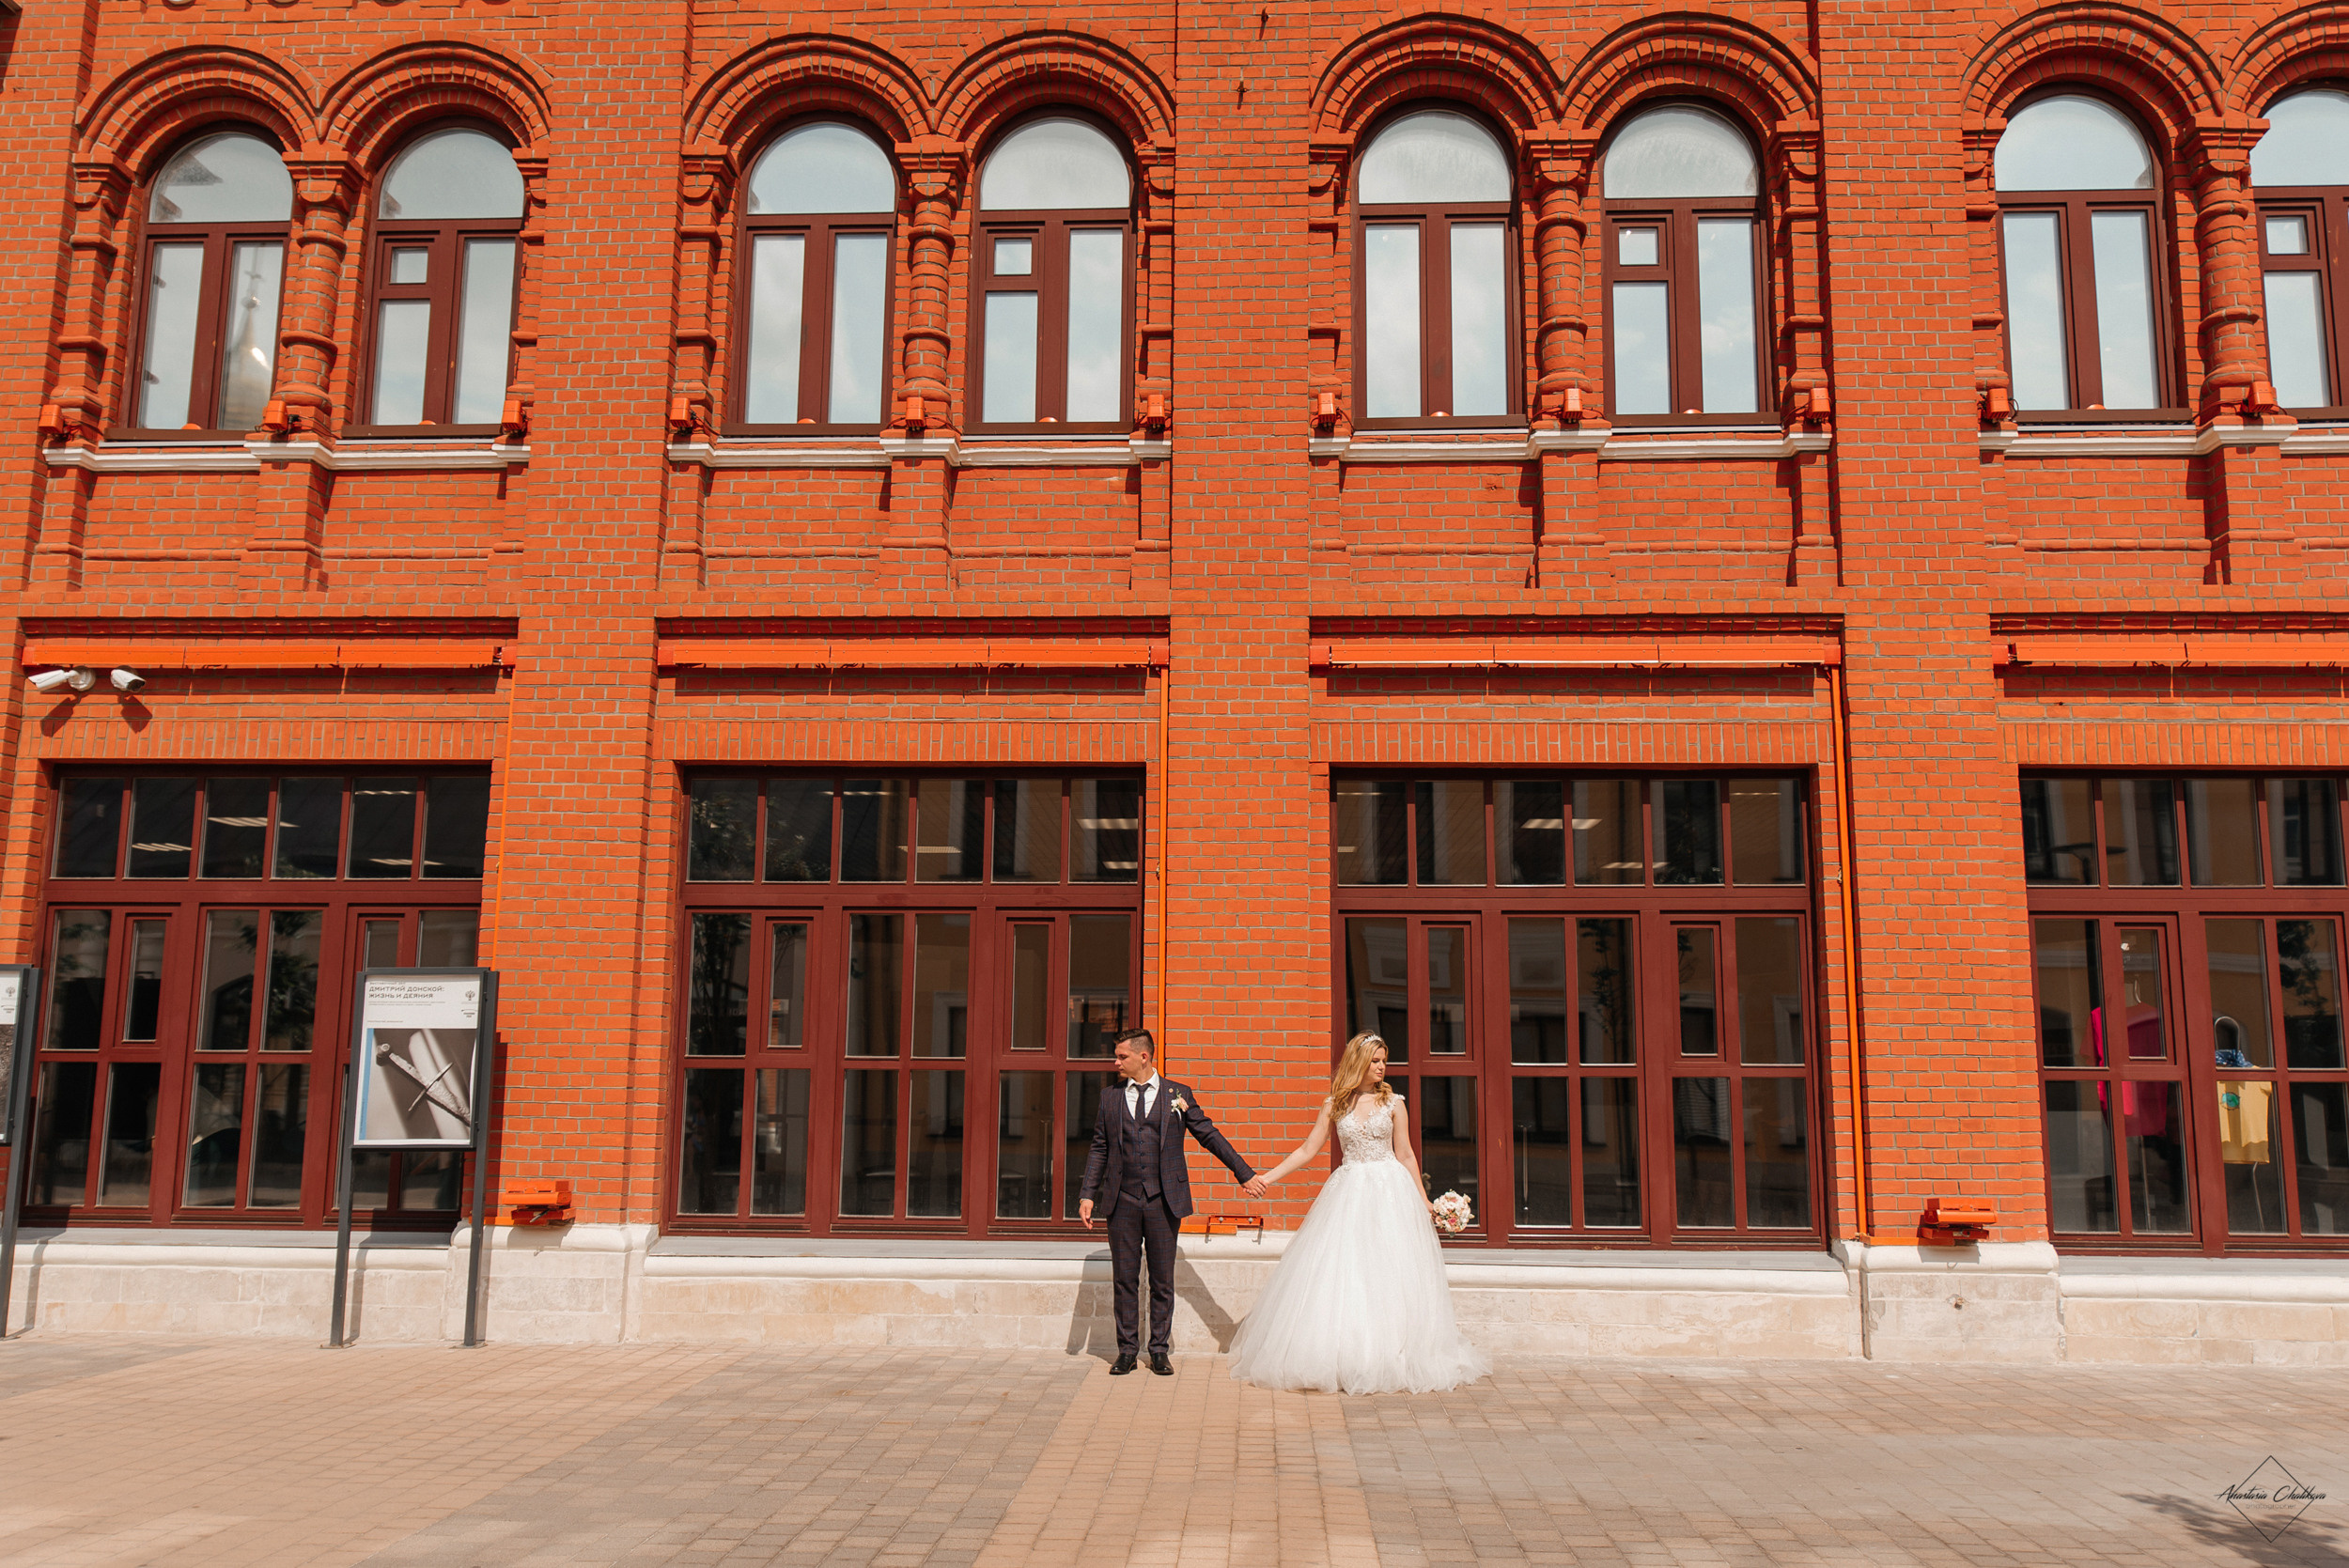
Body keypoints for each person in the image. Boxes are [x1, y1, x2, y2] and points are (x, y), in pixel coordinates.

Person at [1226, 1032, 1490, 1394]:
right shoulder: (1334, 1103)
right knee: (1347, 1271)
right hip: (1349, 1192)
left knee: (1391, 1271)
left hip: (1390, 1192)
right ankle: (1349, 1354)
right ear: (1358, 1062)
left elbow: (1407, 1154)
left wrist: (1424, 1200)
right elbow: (1307, 1150)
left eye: (1384, 1060)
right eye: (1375, 1061)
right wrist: (1265, 1179)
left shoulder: (1394, 1103)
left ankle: (1395, 1355)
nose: (1382, 1067)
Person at [1079, 1028, 1263, 1376]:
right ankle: (1127, 1351)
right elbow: (1100, 1147)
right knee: (1125, 1280)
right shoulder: (1110, 1097)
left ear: (1143, 1057)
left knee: (1162, 1279)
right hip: (1122, 1200)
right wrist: (1088, 1193)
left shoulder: (1178, 1094)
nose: (1115, 1062)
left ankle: (1159, 1351)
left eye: (1122, 1056)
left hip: (1165, 1200)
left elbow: (1209, 1135)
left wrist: (1244, 1173)